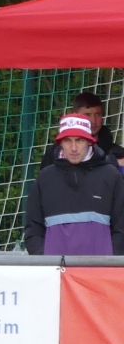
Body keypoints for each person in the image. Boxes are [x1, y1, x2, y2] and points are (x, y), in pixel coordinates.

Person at [25, 109, 124, 255]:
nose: (73, 148)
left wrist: (108, 262)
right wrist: (45, 262)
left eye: (79, 140)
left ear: (90, 142)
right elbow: (33, 229)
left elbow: (121, 228)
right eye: (67, 140)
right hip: (56, 273)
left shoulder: (111, 176)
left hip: (100, 272)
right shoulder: (45, 178)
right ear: (61, 143)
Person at [38, 91, 119, 170]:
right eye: (87, 115)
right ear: (76, 115)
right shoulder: (54, 153)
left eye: (97, 114)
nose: (93, 121)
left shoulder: (115, 153)